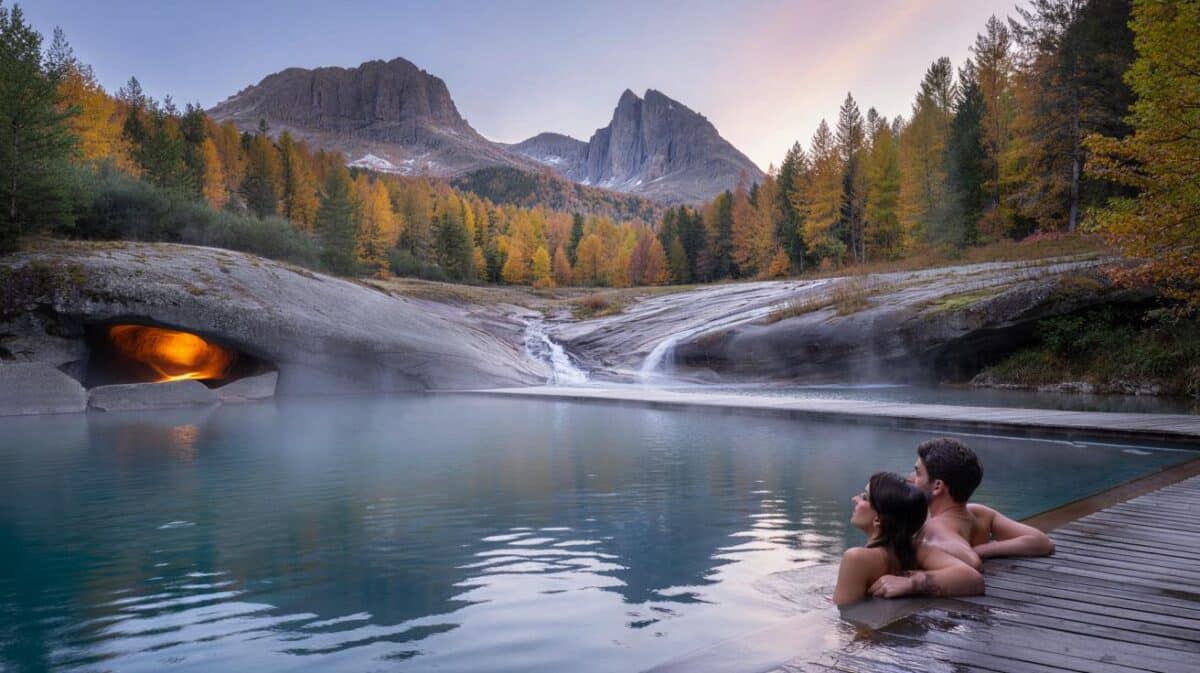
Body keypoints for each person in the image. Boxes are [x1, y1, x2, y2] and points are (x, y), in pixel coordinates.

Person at [833, 472, 984, 606]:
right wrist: (913, 583)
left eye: (864, 497)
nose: (855, 499)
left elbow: (843, 619)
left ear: (878, 519)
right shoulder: (917, 550)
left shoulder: (856, 558)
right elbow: (972, 578)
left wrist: (910, 583)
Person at [909, 437, 1055, 567]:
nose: (910, 478)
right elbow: (1042, 542)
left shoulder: (935, 527)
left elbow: (971, 560)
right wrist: (984, 549)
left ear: (937, 486)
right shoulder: (980, 514)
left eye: (917, 472)